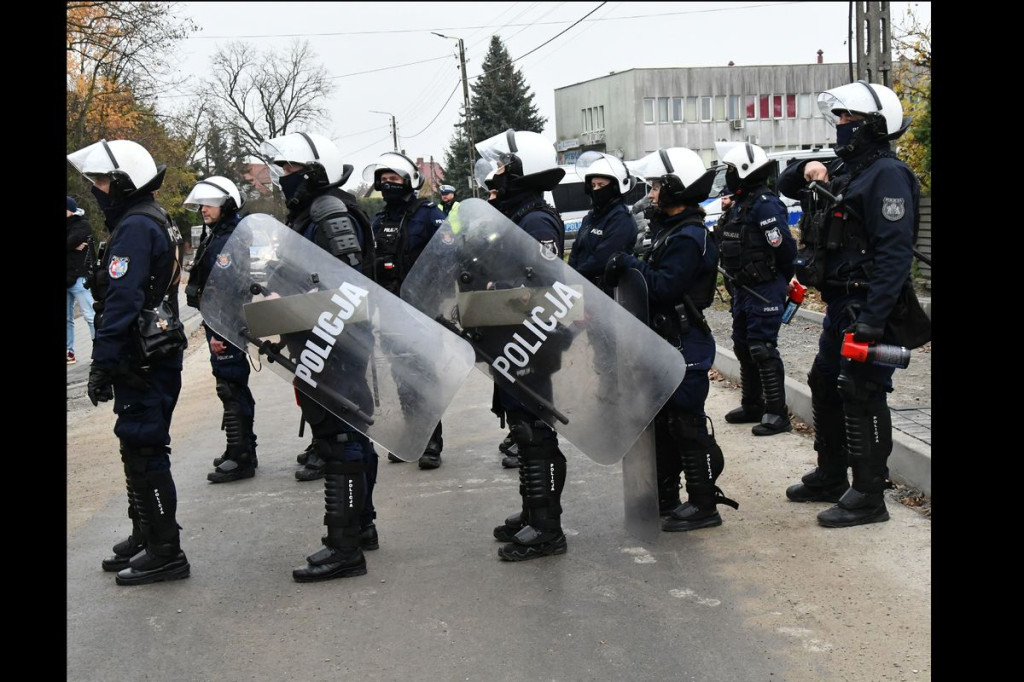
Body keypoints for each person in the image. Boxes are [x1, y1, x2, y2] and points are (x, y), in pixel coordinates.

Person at [777, 81, 919, 528]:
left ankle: (869, 494)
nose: (840, 126)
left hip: (869, 305)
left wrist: (873, 323)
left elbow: (895, 255)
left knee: (862, 392)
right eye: (838, 118)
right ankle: (831, 473)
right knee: (824, 382)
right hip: (840, 304)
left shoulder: (887, 175)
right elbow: (785, 183)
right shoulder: (848, 170)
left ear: (873, 126)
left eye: (847, 119)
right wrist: (810, 169)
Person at [68, 138, 190, 585]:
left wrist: (102, 362)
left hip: (142, 358)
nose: (97, 189)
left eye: (101, 180)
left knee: (145, 449)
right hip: (153, 352)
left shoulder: (136, 226)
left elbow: (122, 300)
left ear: (121, 182)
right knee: (135, 446)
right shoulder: (153, 216)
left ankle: (166, 550)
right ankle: (146, 533)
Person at [260, 131, 381, 580]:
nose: (283, 177)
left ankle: (345, 547)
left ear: (311, 172)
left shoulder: (329, 212)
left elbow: (342, 284)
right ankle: (359, 526)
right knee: (349, 434)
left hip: (337, 345)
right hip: (325, 342)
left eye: (290, 169)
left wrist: (296, 302)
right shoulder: (310, 213)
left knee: (341, 440)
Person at [603, 147, 739, 532]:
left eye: (659, 185)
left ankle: (702, 503)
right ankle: (666, 496)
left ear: (678, 188)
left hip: (685, 341)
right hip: (664, 340)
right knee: (663, 423)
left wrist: (631, 263)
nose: (653, 192)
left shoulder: (690, 235)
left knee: (686, 423)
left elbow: (664, 286)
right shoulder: (668, 230)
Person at [475, 128, 571, 561]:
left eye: (500, 166)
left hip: (534, 341)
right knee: (522, 428)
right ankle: (533, 509)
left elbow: (544, 288)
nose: (493, 175)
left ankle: (547, 527)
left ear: (520, 170)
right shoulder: (516, 214)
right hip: (514, 338)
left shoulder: (535, 219)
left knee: (535, 433)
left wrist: (496, 294)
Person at [362, 151, 447, 469]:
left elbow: (447, 257)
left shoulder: (429, 215)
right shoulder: (379, 220)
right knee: (401, 377)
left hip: (423, 312)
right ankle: (413, 438)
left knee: (424, 376)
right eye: (383, 180)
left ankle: (432, 441)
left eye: (393, 179)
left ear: (409, 181)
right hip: (390, 311)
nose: (387, 184)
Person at [182, 176, 260, 484]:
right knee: (228, 386)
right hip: (219, 322)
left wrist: (217, 332)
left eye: (210, 203)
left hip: (225, 323)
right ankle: (239, 447)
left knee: (231, 386)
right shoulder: (219, 233)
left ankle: (242, 457)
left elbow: (224, 289)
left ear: (226, 204)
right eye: (202, 203)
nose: (203, 209)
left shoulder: (229, 237)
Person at [717, 142, 797, 436]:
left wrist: (780, 280)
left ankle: (777, 413)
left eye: (731, 170)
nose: (728, 175)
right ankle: (752, 404)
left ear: (745, 171)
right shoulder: (741, 203)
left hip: (765, 287)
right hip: (743, 289)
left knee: (762, 347)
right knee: (742, 345)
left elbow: (784, 248)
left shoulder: (765, 203)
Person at [567, 152, 639, 291]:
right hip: (581, 289)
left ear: (615, 187)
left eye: (601, 185)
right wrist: (571, 276)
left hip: (606, 295)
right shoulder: (590, 218)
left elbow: (602, 259)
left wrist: (576, 277)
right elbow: (576, 249)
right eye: (593, 185)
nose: (596, 189)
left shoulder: (622, 220)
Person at [67, 196, 96, 364]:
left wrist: (71, 245)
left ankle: (99, 348)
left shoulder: (82, 225)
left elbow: (73, 240)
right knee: (66, 318)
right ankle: (68, 352)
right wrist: (72, 247)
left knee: (90, 315)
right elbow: (71, 243)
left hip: (79, 278)